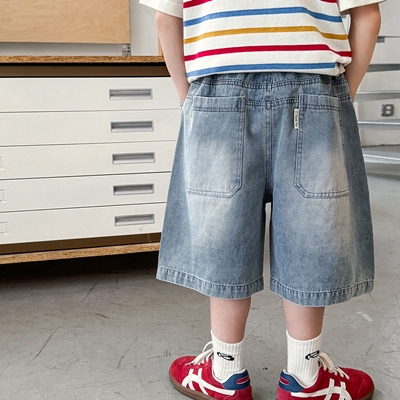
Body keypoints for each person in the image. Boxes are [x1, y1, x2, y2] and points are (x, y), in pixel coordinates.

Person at [139, 0, 383, 399]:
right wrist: (342, 96)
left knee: (223, 232)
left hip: (218, 88)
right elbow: (367, 16)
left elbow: (166, 19)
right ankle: (305, 377)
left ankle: (225, 372)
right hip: (313, 89)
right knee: (311, 232)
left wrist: (189, 100)